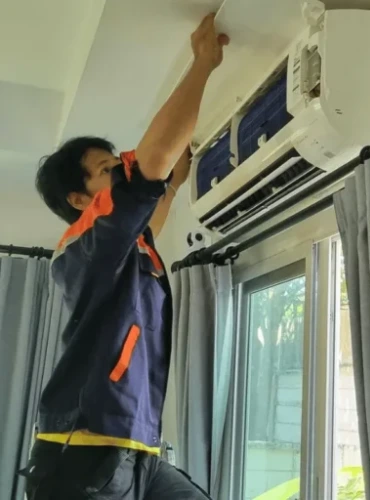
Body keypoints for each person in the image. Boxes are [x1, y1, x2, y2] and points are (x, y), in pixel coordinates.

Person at [20, 13, 229, 500]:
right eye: (106, 169)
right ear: (80, 200)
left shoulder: (125, 247)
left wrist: (174, 181)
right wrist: (203, 63)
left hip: (137, 450)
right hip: (81, 452)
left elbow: (155, 206)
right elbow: (149, 170)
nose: (119, 171)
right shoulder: (83, 245)